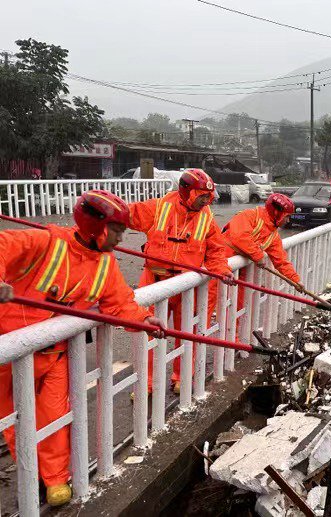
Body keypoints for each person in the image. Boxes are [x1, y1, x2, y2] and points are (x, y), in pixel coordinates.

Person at [0, 190, 164, 507]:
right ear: (95, 226)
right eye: (117, 230)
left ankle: (55, 480)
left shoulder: (104, 264)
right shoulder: (47, 242)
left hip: (56, 354)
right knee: (15, 421)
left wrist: (144, 320)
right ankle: (31, 472)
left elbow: (120, 304)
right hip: (11, 358)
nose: (121, 237)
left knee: (56, 418)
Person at [127, 169, 232, 394]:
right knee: (149, 335)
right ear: (186, 192)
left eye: (208, 197)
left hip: (186, 287)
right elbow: (126, 215)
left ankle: (181, 378)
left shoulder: (206, 217)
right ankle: (147, 384)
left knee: (187, 334)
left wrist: (222, 269)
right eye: (201, 196)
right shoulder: (159, 207)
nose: (205, 201)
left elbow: (215, 250)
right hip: (155, 284)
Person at [216, 193, 304, 319]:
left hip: (239, 272)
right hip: (219, 265)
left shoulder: (273, 236)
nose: (288, 220)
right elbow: (239, 236)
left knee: (236, 307)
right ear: (277, 213)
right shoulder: (249, 215)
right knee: (210, 303)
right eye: (287, 216)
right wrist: (258, 255)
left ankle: (231, 337)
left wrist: (295, 280)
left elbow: (281, 261)